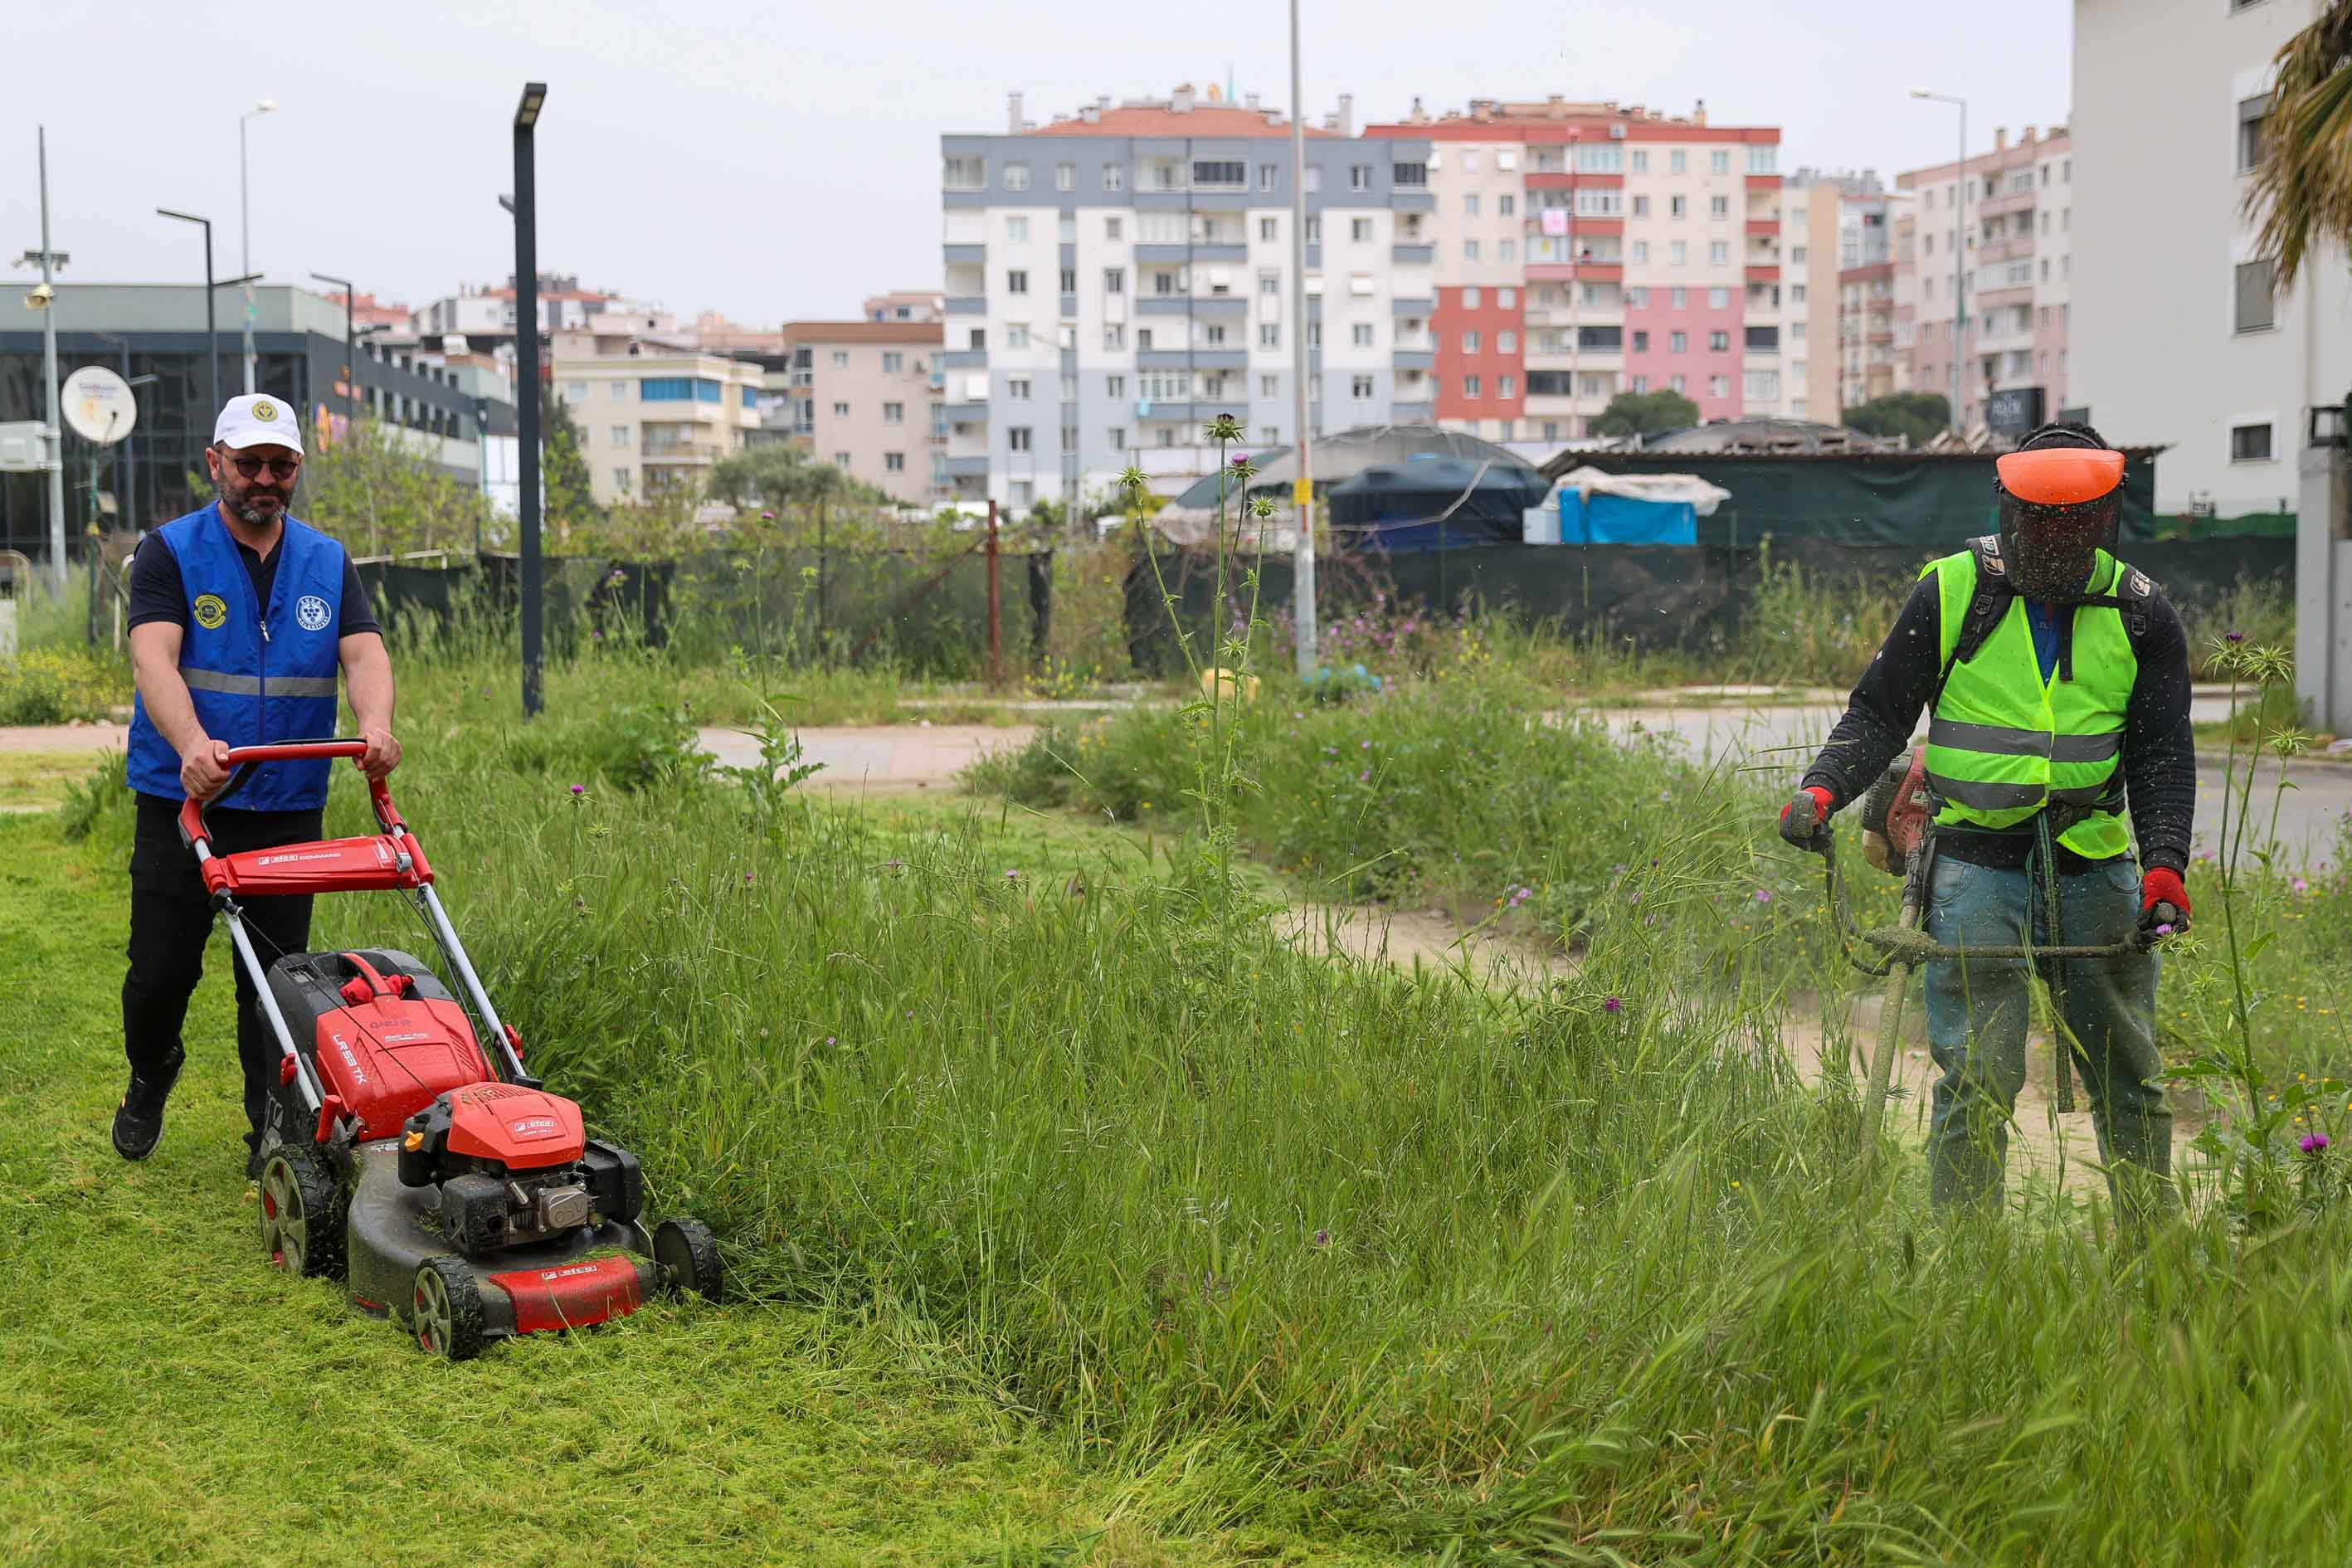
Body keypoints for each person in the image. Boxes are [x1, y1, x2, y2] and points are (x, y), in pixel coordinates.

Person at [1778, 421, 2193, 1221]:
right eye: (2040, 518)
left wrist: (2164, 866)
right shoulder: (1950, 590)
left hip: (2094, 865)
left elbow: (2162, 759)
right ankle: (1965, 1267)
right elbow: (1878, 714)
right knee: (1976, 1078)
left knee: (2128, 1076)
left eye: (2074, 520)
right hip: (1973, 868)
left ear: (2103, 516)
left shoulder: (2142, 614)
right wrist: (1821, 791)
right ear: (2010, 511)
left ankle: (2154, 1258)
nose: (2055, 535)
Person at [114, 393, 401, 1179]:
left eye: (280, 465)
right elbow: (153, 661)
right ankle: (151, 1071)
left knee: (275, 984)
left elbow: (365, 655)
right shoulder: (170, 552)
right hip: (187, 801)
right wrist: (192, 747)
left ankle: (270, 1138)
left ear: (297, 468)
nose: (264, 480)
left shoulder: (326, 559)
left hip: (286, 805)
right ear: (216, 463)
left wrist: (375, 726)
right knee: (161, 973)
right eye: (248, 464)